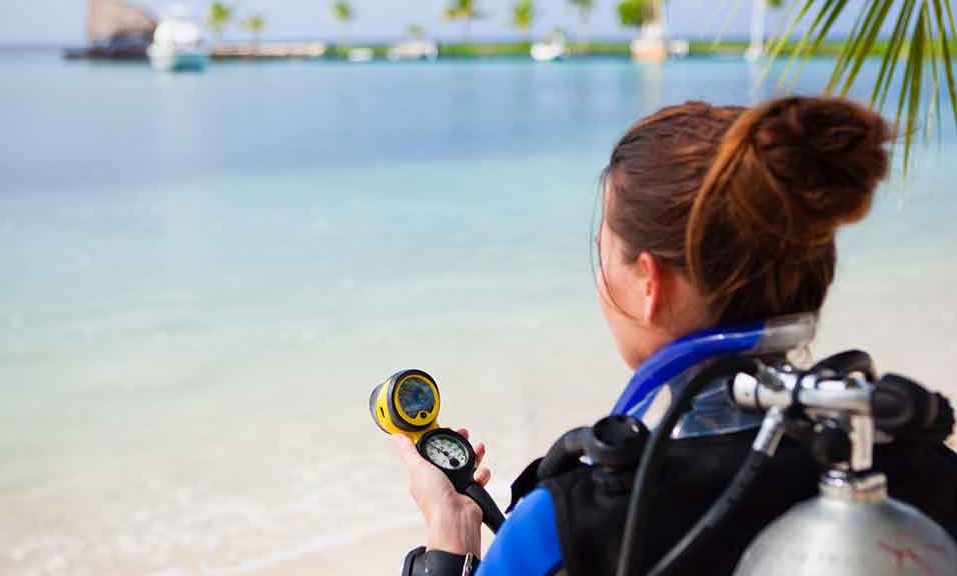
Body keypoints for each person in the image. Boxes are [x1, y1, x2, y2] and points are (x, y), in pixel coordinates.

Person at [390, 97, 957, 575]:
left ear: (649, 284)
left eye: (603, 258)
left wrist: (450, 539)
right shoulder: (917, 467)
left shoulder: (567, 521)